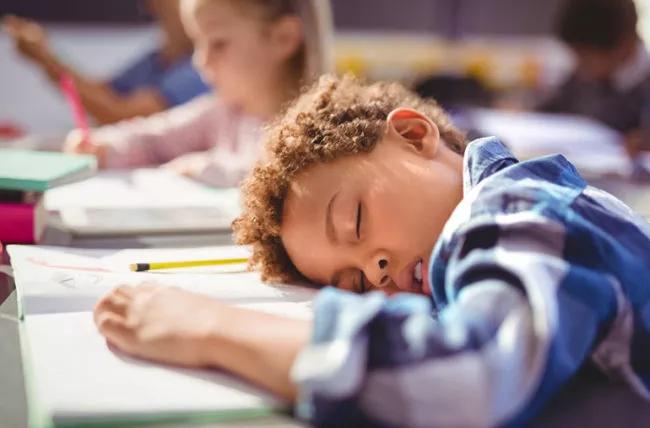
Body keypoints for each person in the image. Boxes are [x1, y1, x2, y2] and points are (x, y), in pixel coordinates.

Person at [92, 74, 650, 427]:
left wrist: (214, 329)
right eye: (354, 283)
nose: (376, 272)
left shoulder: (519, 208)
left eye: (354, 221)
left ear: (412, 136)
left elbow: (474, 377)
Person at [64, 0, 332, 187]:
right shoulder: (223, 112)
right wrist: (104, 147)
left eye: (218, 43)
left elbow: (277, 179)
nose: (200, 61)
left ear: (282, 38)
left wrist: (204, 169)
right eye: (197, 44)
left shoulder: (312, 129)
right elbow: (153, 139)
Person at [2, 0, 209, 125]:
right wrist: (44, 56)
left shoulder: (204, 65)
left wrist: (45, 59)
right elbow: (102, 93)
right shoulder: (155, 59)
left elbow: (118, 114)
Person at [540, 0, 650, 154]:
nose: (578, 64)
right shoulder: (579, 79)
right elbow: (549, 111)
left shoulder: (644, 87)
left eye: (586, 56)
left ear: (624, 44)